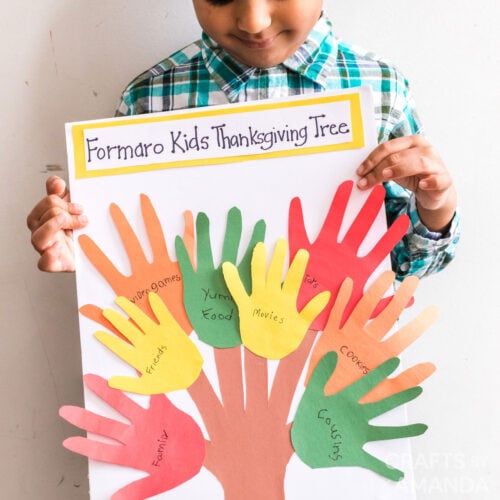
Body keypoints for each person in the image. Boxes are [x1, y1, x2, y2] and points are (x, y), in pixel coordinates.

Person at [27, 0, 459, 278]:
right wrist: (81, 248)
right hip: (195, 371)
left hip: (333, 380)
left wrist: (435, 208)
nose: (254, 20)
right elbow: (133, 257)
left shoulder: (380, 89)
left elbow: (403, 265)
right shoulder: (150, 98)